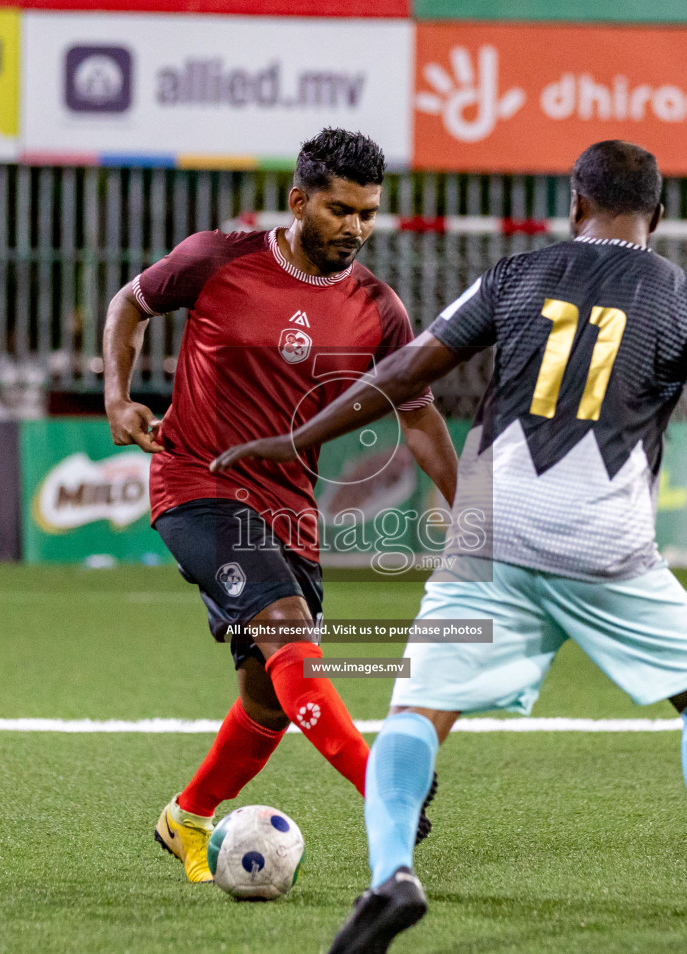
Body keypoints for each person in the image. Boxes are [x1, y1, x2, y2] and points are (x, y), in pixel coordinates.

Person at [212, 140, 687, 954]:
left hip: (491, 527)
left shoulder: (516, 275)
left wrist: (301, 437)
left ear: (575, 205)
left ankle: (390, 876)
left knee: (416, 710)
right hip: (600, 535)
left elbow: (403, 370)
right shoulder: (685, 298)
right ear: (661, 217)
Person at [102, 128, 459, 883]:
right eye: (339, 210)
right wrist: (117, 397)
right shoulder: (217, 258)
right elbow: (128, 306)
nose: (356, 229)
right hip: (195, 484)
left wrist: (472, 517)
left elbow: (421, 418)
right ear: (298, 201)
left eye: (368, 213)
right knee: (289, 634)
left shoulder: (377, 309)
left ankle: (187, 818)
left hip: (291, 510)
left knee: (269, 699)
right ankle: (382, 790)